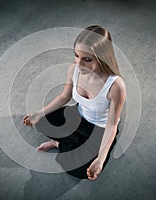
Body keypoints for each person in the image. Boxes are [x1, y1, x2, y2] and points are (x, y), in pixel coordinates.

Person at [23, 25, 126, 181]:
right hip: (79, 115)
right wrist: (39, 113)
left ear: (102, 57)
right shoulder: (74, 69)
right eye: (76, 56)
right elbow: (64, 97)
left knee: (81, 170)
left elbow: (112, 126)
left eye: (87, 59)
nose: (79, 64)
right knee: (43, 121)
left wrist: (100, 160)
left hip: (100, 128)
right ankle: (64, 143)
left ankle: (59, 144)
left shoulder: (116, 86)